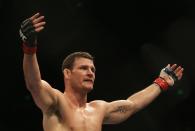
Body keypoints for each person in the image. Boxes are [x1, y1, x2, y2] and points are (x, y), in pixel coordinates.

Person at [19, 12, 184, 131]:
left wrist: (161, 82)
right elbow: (34, 83)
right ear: (67, 73)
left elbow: (132, 105)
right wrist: (29, 47)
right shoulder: (55, 102)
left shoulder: (99, 110)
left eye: (92, 69)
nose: (91, 73)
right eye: (84, 68)